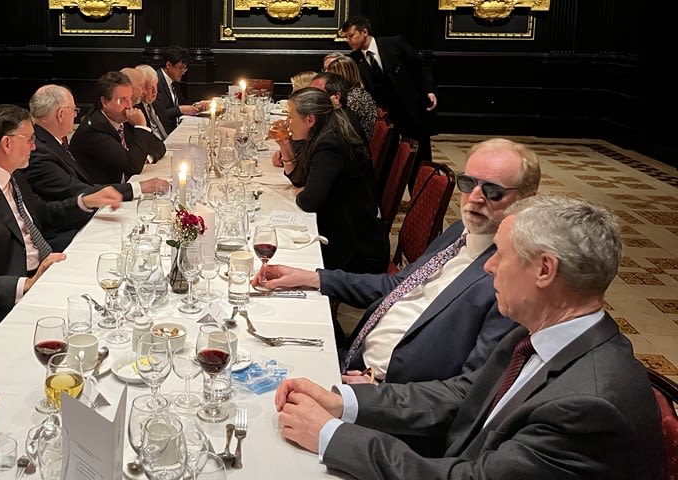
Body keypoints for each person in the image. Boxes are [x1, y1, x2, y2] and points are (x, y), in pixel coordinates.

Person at [273, 194, 664, 480]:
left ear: (545, 270)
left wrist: (332, 437)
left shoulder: (588, 406)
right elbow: (460, 394)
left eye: (502, 255)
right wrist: (344, 402)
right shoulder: (542, 333)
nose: (489, 266)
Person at [255, 138, 540, 387]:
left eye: (493, 191)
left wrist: (379, 391)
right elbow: (397, 286)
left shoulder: (511, 280)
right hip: (352, 360)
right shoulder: (461, 232)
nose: (474, 198)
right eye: (468, 183)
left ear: (527, 199)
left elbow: (469, 390)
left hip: (384, 396)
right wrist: (311, 277)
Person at [0, 105, 122, 327]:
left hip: (45, 269)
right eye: (30, 139)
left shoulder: (13, 173)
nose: (34, 147)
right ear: (7, 143)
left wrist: (85, 201)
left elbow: (42, 214)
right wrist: (27, 284)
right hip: (8, 302)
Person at [21, 84, 169, 249]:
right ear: (61, 114)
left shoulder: (51, 141)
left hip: (78, 213)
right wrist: (138, 188)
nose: (76, 115)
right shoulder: (38, 152)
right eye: (74, 110)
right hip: (64, 230)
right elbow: (75, 190)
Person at [273, 87, 387, 273]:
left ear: (310, 119)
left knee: (278, 257)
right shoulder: (321, 134)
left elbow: (309, 201)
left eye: (291, 117)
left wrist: (306, 192)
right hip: (341, 230)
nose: (287, 123)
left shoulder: (329, 144)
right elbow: (300, 180)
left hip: (353, 248)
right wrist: (285, 145)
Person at [340, 15, 437, 174]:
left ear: (364, 32)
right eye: (346, 37)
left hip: (411, 109)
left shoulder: (394, 44)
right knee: (388, 161)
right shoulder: (355, 59)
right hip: (387, 117)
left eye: (351, 35)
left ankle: (421, 194)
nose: (348, 40)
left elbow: (421, 66)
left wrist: (429, 90)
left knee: (420, 159)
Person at [70, 70, 168, 186]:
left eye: (130, 99)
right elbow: (132, 166)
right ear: (104, 102)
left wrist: (146, 158)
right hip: (102, 197)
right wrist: (141, 126)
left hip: (121, 188)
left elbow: (158, 145)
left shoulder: (122, 119)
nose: (129, 106)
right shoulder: (94, 129)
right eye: (122, 100)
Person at [323, 52, 378, 143]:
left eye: (331, 76)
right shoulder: (352, 93)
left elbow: (342, 129)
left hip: (356, 148)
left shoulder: (354, 98)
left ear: (341, 76)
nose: (328, 80)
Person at [152, 46, 206, 135]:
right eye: (181, 68)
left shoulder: (174, 81)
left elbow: (182, 102)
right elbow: (158, 114)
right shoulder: (156, 81)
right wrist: (180, 110)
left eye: (185, 68)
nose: (183, 72)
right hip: (163, 132)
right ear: (168, 65)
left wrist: (197, 105)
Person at [308, 71, 368, 143]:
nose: (309, 99)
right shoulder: (338, 114)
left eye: (316, 94)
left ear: (336, 97)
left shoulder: (340, 125)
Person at [135, 63, 170, 140]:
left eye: (156, 86)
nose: (155, 92)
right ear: (140, 88)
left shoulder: (158, 101)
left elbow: (168, 128)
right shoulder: (135, 109)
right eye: (150, 88)